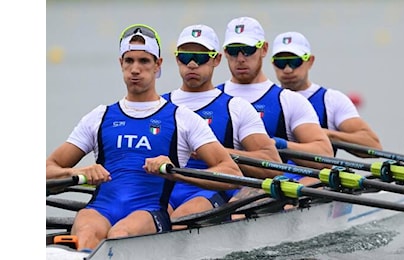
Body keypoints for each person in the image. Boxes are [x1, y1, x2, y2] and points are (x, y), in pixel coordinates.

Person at [45, 23, 243, 251]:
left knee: (120, 235)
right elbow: (48, 170)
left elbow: (231, 172)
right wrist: (75, 172)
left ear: (158, 65)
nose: (135, 69)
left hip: (148, 212)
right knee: (87, 233)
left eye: (144, 61)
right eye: (129, 61)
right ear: (121, 63)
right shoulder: (99, 117)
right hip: (101, 208)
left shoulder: (182, 119)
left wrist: (175, 172)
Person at [162, 24, 283, 227]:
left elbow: (273, 165)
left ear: (216, 59)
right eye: (185, 56)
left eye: (200, 58)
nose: (192, 64)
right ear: (176, 59)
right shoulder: (160, 106)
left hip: (211, 190)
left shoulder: (236, 108)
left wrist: (215, 152)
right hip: (165, 187)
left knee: (176, 222)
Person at [217, 16, 334, 186]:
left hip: (278, 187)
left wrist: (282, 145)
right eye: (233, 51)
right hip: (222, 186)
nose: (240, 58)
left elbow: (325, 155)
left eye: (248, 50)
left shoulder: (289, 100)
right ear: (225, 53)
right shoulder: (213, 99)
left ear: (264, 49)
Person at [271, 31, 382, 157]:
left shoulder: (332, 100)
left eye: (295, 62)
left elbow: (374, 146)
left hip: (316, 175)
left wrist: (326, 135)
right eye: (280, 63)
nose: (287, 69)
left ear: (310, 61)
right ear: (272, 63)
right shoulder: (266, 98)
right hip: (273, 176)